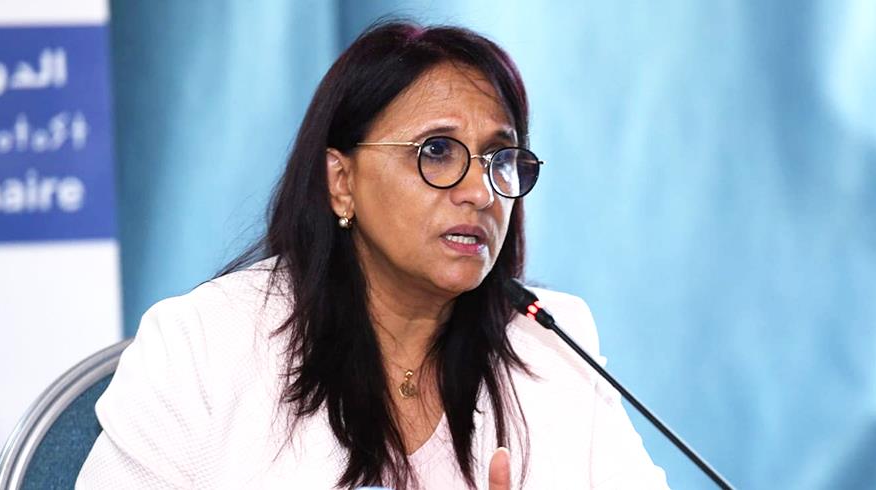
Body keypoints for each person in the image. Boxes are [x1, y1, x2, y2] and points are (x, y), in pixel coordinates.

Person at [77, 21, 668, 489]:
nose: (480, 192)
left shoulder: (552, 347)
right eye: (437, 151)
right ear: (342, 182)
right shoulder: (204, 346)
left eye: (499, 159)